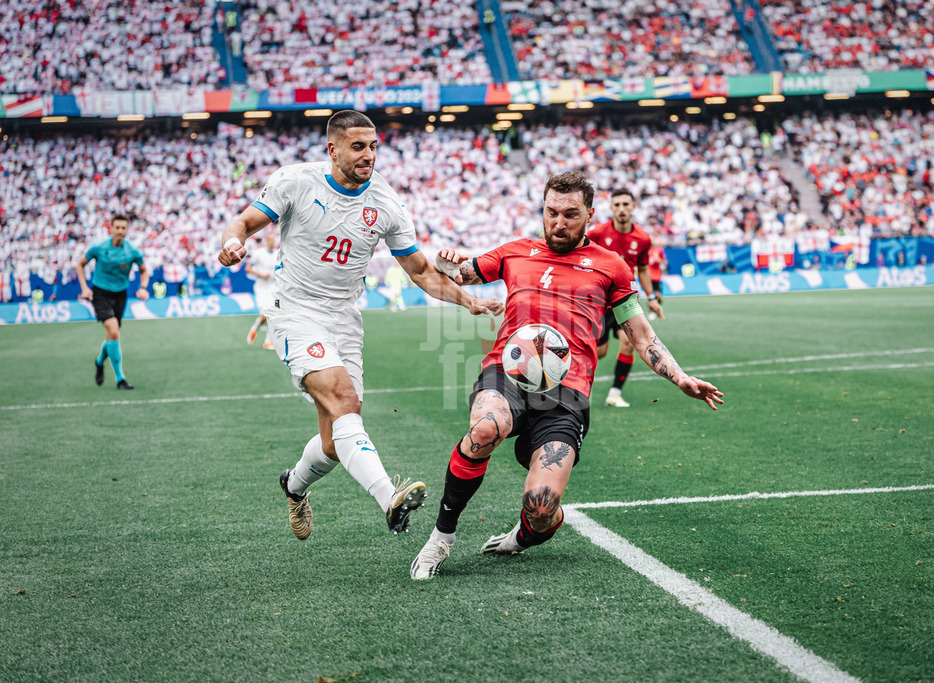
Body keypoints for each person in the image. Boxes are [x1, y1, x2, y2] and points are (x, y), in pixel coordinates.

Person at [410, 170, 723, 580]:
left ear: (590, 214)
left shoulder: (612, 267)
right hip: (509, 373)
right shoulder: (514, 252)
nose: (559, 222)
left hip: (568, 392)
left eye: (570, 214)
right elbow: (461, 272)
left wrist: (679, 376)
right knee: (486, 428)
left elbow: (640, 334)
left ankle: (524, 535)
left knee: (541, 506)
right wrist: (446, 262)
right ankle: (441, 538)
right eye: (551, 212)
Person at [217, 110, 504, 542]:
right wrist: (232, 242)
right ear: (332, 149)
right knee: (344, 399)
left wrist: (467, 301)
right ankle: (391, 497)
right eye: (357, 146)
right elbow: (244, 222)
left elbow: (422, 271)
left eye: (373, 146)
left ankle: (293, 486)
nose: (368, 155)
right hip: (295, 309)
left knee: (335, 442)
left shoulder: (386, 203)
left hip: (345, 319)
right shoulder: (295, 181)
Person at [587, 188, 664, 408]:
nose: (621, 209)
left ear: (633, 207)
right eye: (617, 205)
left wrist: (651, 298)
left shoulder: (642, 238)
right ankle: (581, 388)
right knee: (599, 352)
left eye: (625, 204)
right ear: (611, 208)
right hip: (600, 303)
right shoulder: (597, 234)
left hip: (626, 301)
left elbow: (643, 270)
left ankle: (614, 393)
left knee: (629, 345)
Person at [75, 214, 149, 390]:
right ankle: (120, 379)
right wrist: (85, 289)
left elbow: (144, 270)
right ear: (111, 228)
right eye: (117, 228)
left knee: (111, 335)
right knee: (114, 330)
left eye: (124, 228)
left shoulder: (132, 250)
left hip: (120, 294)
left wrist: (143, 287)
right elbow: (80, 265)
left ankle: (99, 361)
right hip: (100, 293)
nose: (120, 231)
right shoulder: (99, 247)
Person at [245, 231, 278, 349]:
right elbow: (248, 268)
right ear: (266, 240)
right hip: (261, 288)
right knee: (265, 315)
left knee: (272, 314)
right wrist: (261, 274)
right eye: (270, 239)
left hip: (273, 287)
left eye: (274, 239)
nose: (272, 241)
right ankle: (255, 327)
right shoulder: (258, 254)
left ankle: (268, 341)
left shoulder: (278, 254)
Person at [646, 238, 667, 321]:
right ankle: (652, 311)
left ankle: (656, 310)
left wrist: (659, 260)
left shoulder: (659, 250)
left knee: (658, 295)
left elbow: (665, 262)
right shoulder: (646, 251)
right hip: (648, 276)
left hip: (657, 276)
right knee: (650, 295)